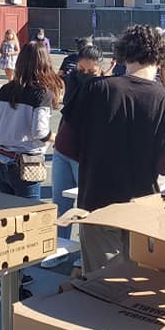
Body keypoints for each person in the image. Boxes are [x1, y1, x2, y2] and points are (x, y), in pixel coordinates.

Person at [60, 24, 165, 273]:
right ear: (161, 58)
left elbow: (64, 145)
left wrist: (97, 156)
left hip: (97, 203)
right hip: (142, 206)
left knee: (100, 285)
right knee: (135, 284)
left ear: (123, 54)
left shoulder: (95, 89)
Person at [0, 41, 63, 198]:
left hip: (1, 160)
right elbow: (40, 132)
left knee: (5, 213)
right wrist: (58, 139)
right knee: (29, 214)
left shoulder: (6, 88)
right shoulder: (42, 93)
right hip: (26, 163)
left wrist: (9, 127)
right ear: (45, 63)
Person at [53, 43, 104, 239]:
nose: (84, 74)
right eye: (81, 69)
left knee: (87, 206)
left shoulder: (105, 90)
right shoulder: (72, 81)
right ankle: (58, 246)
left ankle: (84, 254)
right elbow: (66, 114)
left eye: (91, 71)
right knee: (60, 202)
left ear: (100, 68)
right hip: (63, 149)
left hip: (87, 156)